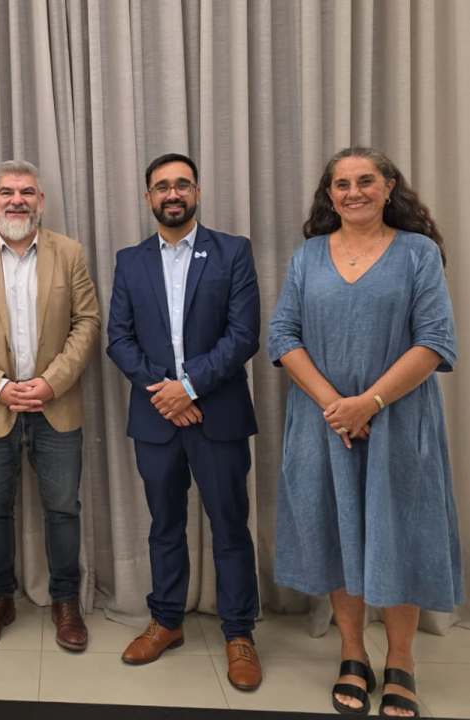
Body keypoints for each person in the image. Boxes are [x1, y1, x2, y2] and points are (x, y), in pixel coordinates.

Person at [268, 147, 461, 718]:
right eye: (342, 184)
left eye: (365, 181)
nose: (353, 192)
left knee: (400, 535)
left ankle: (401, 661)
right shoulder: (307, 256)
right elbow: (282, 335)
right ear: (330, 195)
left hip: (399, 424)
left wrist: (370, 402)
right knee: (338, 533)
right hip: (324, 424)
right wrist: (338, 406)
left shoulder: (418, 253)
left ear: (389, 186)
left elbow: (435, 341)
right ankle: (352, 653)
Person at [106, 153, 263, 691]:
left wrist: (189, 388)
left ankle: (239, 632)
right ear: (148, 197)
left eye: (182, 184)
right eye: (161, 186)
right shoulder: (130, 261)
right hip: (156, 420)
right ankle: (166, 620)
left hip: (218, 415)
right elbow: (118, 338)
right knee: (164, 525)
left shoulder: (232, 252)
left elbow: (243, 335)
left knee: (230, 526)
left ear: (196, 191)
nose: (172, 194)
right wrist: (166, 392)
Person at [0, 160, 101, 652]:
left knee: (63, 508)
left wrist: (51, 383)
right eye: (8, 192)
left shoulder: (69, 253)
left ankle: (65, 601)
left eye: (27, 192)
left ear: (41, 201)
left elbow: (87, 322)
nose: (17, 200)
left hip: (57, 407)